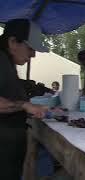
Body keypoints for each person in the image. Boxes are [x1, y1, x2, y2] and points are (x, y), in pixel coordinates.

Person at [0, 19, 49, 180]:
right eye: (30, 48)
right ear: (13, 42)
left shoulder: (7, 61)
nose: (33, 55)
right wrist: (24, 105)